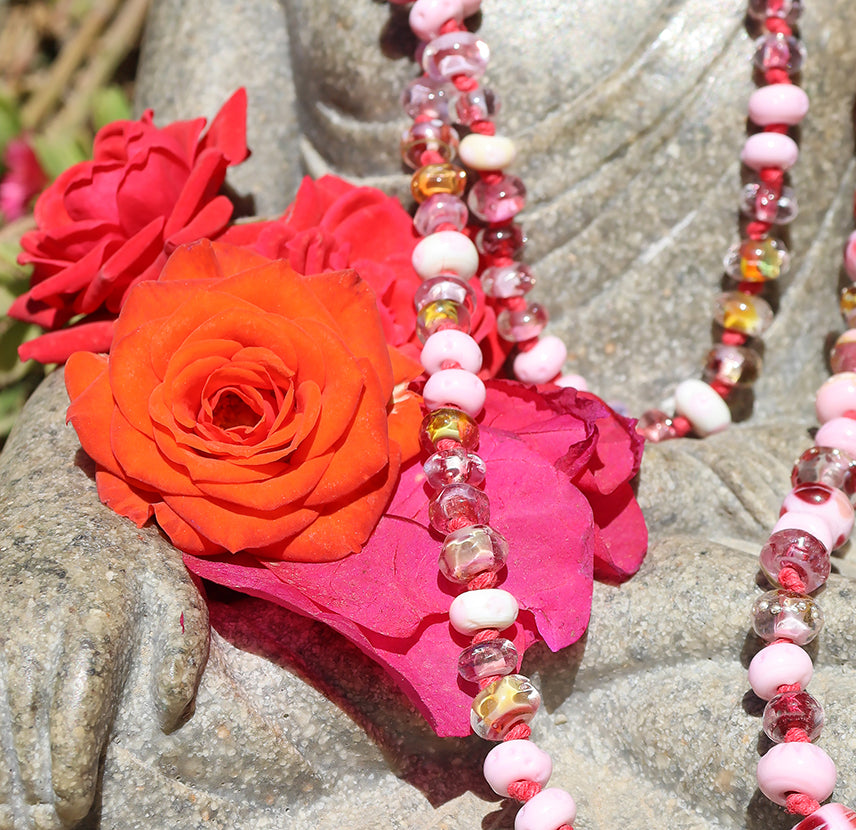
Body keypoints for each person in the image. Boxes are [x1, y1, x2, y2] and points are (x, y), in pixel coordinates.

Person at [2, 0, 856, 827]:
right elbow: (176, 286)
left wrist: (635, 489)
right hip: (404, 519)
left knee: (806, 673)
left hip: (770, 501)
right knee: (125, 717)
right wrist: (52, 513)